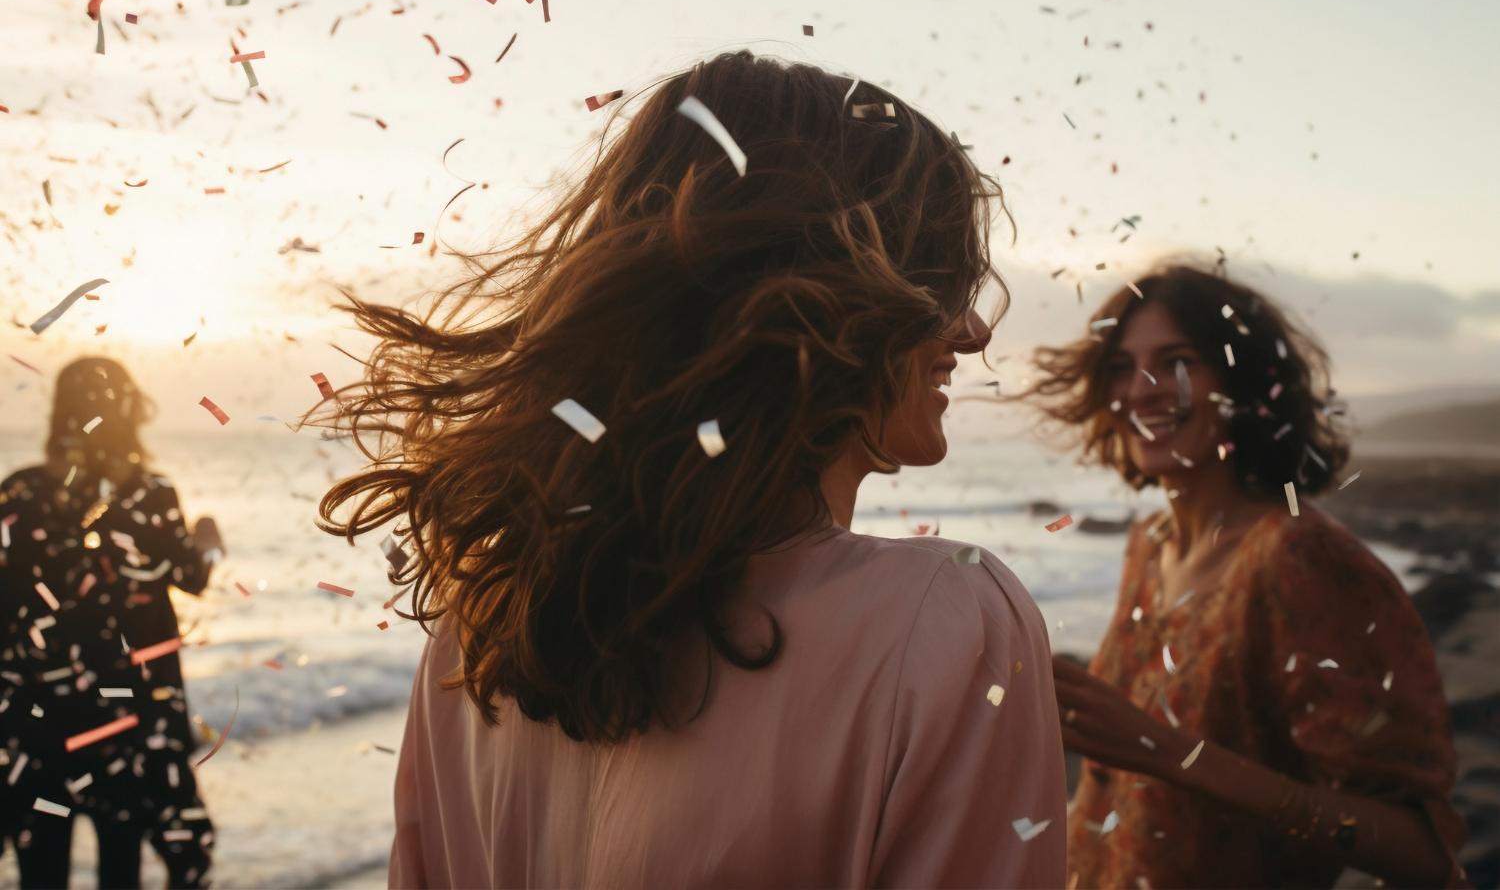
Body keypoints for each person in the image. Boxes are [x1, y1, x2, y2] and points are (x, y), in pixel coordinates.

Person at [314, 51, 1068, 888]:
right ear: (835, 299)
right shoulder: (946, 620)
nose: (972, 332)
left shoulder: (483, 625)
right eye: (938, 279)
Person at [1021, 262, 1467, 887]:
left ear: (1244, 383)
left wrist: (1165, 751)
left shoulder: (1299, 559)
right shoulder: (1148, 548)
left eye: (1178, 360)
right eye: (1122, 367)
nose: (1144, 388)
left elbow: (1417, 852)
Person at [0, 357, 220, 888]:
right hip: (129, 719)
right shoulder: (149, 494)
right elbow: (191, 576)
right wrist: (208, 539)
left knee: (41, 868)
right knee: (122, 863)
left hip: (40, 719)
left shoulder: (21, 492)